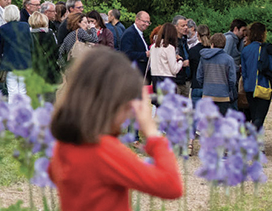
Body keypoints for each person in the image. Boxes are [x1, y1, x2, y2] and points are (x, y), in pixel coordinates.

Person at [50, 49, 184, 210]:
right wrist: (152, 134)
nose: (129, 114)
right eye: (127, 106)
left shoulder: (63, 144)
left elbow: (53, 173)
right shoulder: (104, 151)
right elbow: (171, 186)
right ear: (110, 104)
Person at [240, 22, 272, 130]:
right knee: (259, 117)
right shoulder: (266, 49)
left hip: (249, 87)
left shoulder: (245, 50)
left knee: (254, 115)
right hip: (263, 85)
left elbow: (244, 71)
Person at [197, 33, 237, 115]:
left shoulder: (204, 58)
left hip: (207, 94)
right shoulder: (229, 59)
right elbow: (232, 80)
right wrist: (228, 89)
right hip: (223, 96)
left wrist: (205, 86)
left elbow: (199, 76)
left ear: (212, 44)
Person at [0, 4, 33, 100]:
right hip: (24, 63)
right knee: (23, 91)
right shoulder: (25, 26)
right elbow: (31, 44)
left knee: (12, 91)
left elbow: (1, 46)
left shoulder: (3, 28)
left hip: (10, 64)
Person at [29, 12, 61, 98]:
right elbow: (56, 52)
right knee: (50, 97)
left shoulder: (28, 36)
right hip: (50, 70)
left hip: (35, 71)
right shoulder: (49, 34)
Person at [148, 23, 185, 91]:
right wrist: (180, 61)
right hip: (167, 80)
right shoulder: (169, 48)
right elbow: (174, 69)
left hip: (155, 79)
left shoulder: (153, 47)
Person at [120, 11, 151, 77]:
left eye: (148, 22)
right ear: (137, 20)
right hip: (132, 74)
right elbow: (126, 54)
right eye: (144, 21)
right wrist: (145, 54)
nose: (147, 24)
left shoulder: (139, 33)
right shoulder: (130, 33)